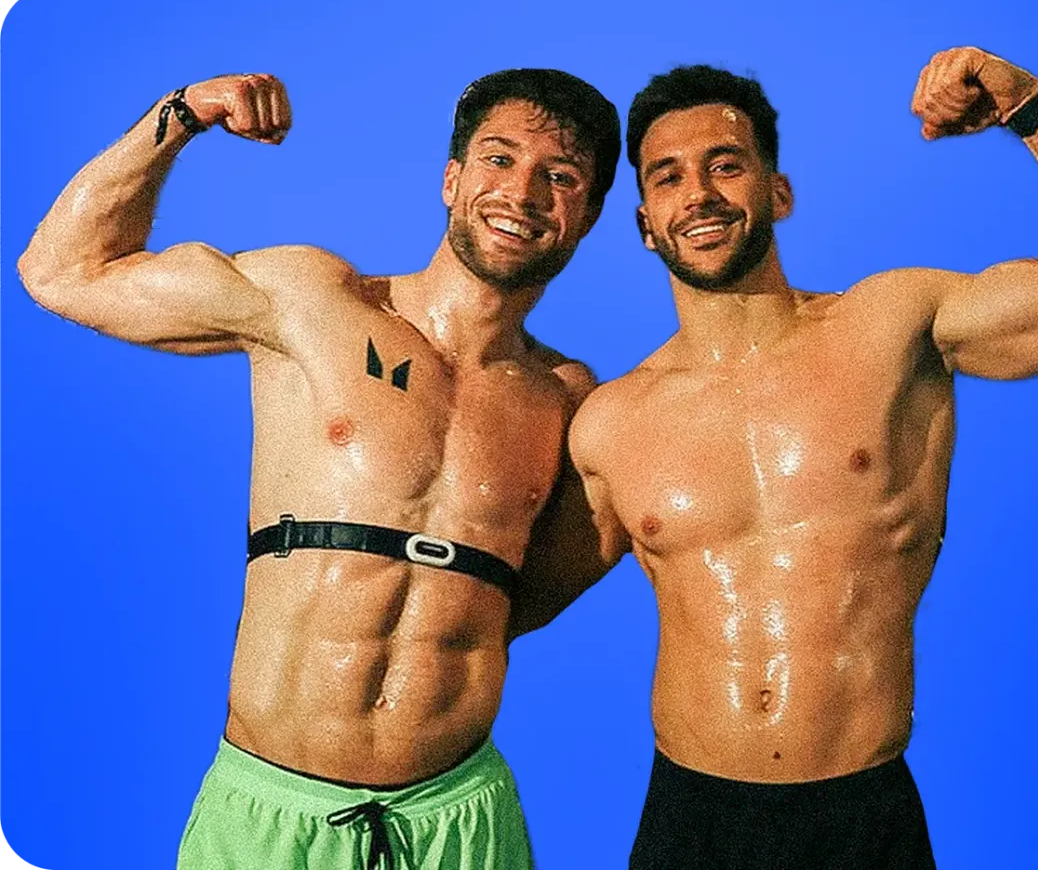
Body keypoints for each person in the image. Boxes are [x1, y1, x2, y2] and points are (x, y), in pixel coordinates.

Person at [563, 47, 1038, 868]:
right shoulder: (610, 422)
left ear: (778, 192)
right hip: (690, 816)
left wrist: (1029, 105)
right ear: (647, 224)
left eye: (726, 165)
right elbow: (499, 598)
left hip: (859, 814)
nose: (700, 193)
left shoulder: (891, 327)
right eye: (668, 176)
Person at [17, 66, 620, 869]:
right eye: (499, 159)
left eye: (561, 176)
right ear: (452, 179)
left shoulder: (568, 401)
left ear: (589, 216)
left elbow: (529, 595)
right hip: (274, 812)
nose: (522, 192)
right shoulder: (312, 302)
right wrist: (183, 112)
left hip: (458, 819)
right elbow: (62, 273)